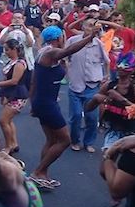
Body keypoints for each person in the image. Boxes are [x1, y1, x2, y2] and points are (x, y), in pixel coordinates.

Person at [28, 24, 99, 189]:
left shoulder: (43, 53)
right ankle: (38, 172)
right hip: (47, 104)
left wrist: (33, 103)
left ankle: (42, 174)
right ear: (57, 38)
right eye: (62, 36)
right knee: (65, 140)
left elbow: (34, 81)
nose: (64, 39)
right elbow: (68, 51)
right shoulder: (50, 52)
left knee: (52, 139)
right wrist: (89, 38)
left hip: (43, 102)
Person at [66, 17, 110, 154]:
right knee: (76, 116)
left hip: (92, 85)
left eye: (93, 26)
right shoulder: (73, 41)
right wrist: (69, 71)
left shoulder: (98, 43)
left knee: (92, 117)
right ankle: (74, 140)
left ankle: (89, 142)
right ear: (83, 27)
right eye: (89, 25)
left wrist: (106, 76)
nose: (91, 28)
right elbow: (64, 57)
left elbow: (107, 61)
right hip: (75, 84)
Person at [0, 38, 28, 154]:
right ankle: (14, 143)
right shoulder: (12, 62)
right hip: (12, 95)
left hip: (18, 95)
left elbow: (14, 81)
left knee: (3, 120)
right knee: (8, 120)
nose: (5, 52)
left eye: (7, 50)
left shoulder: (19, 64)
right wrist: (3, 94)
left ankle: (8, 146)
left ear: (14, 49)